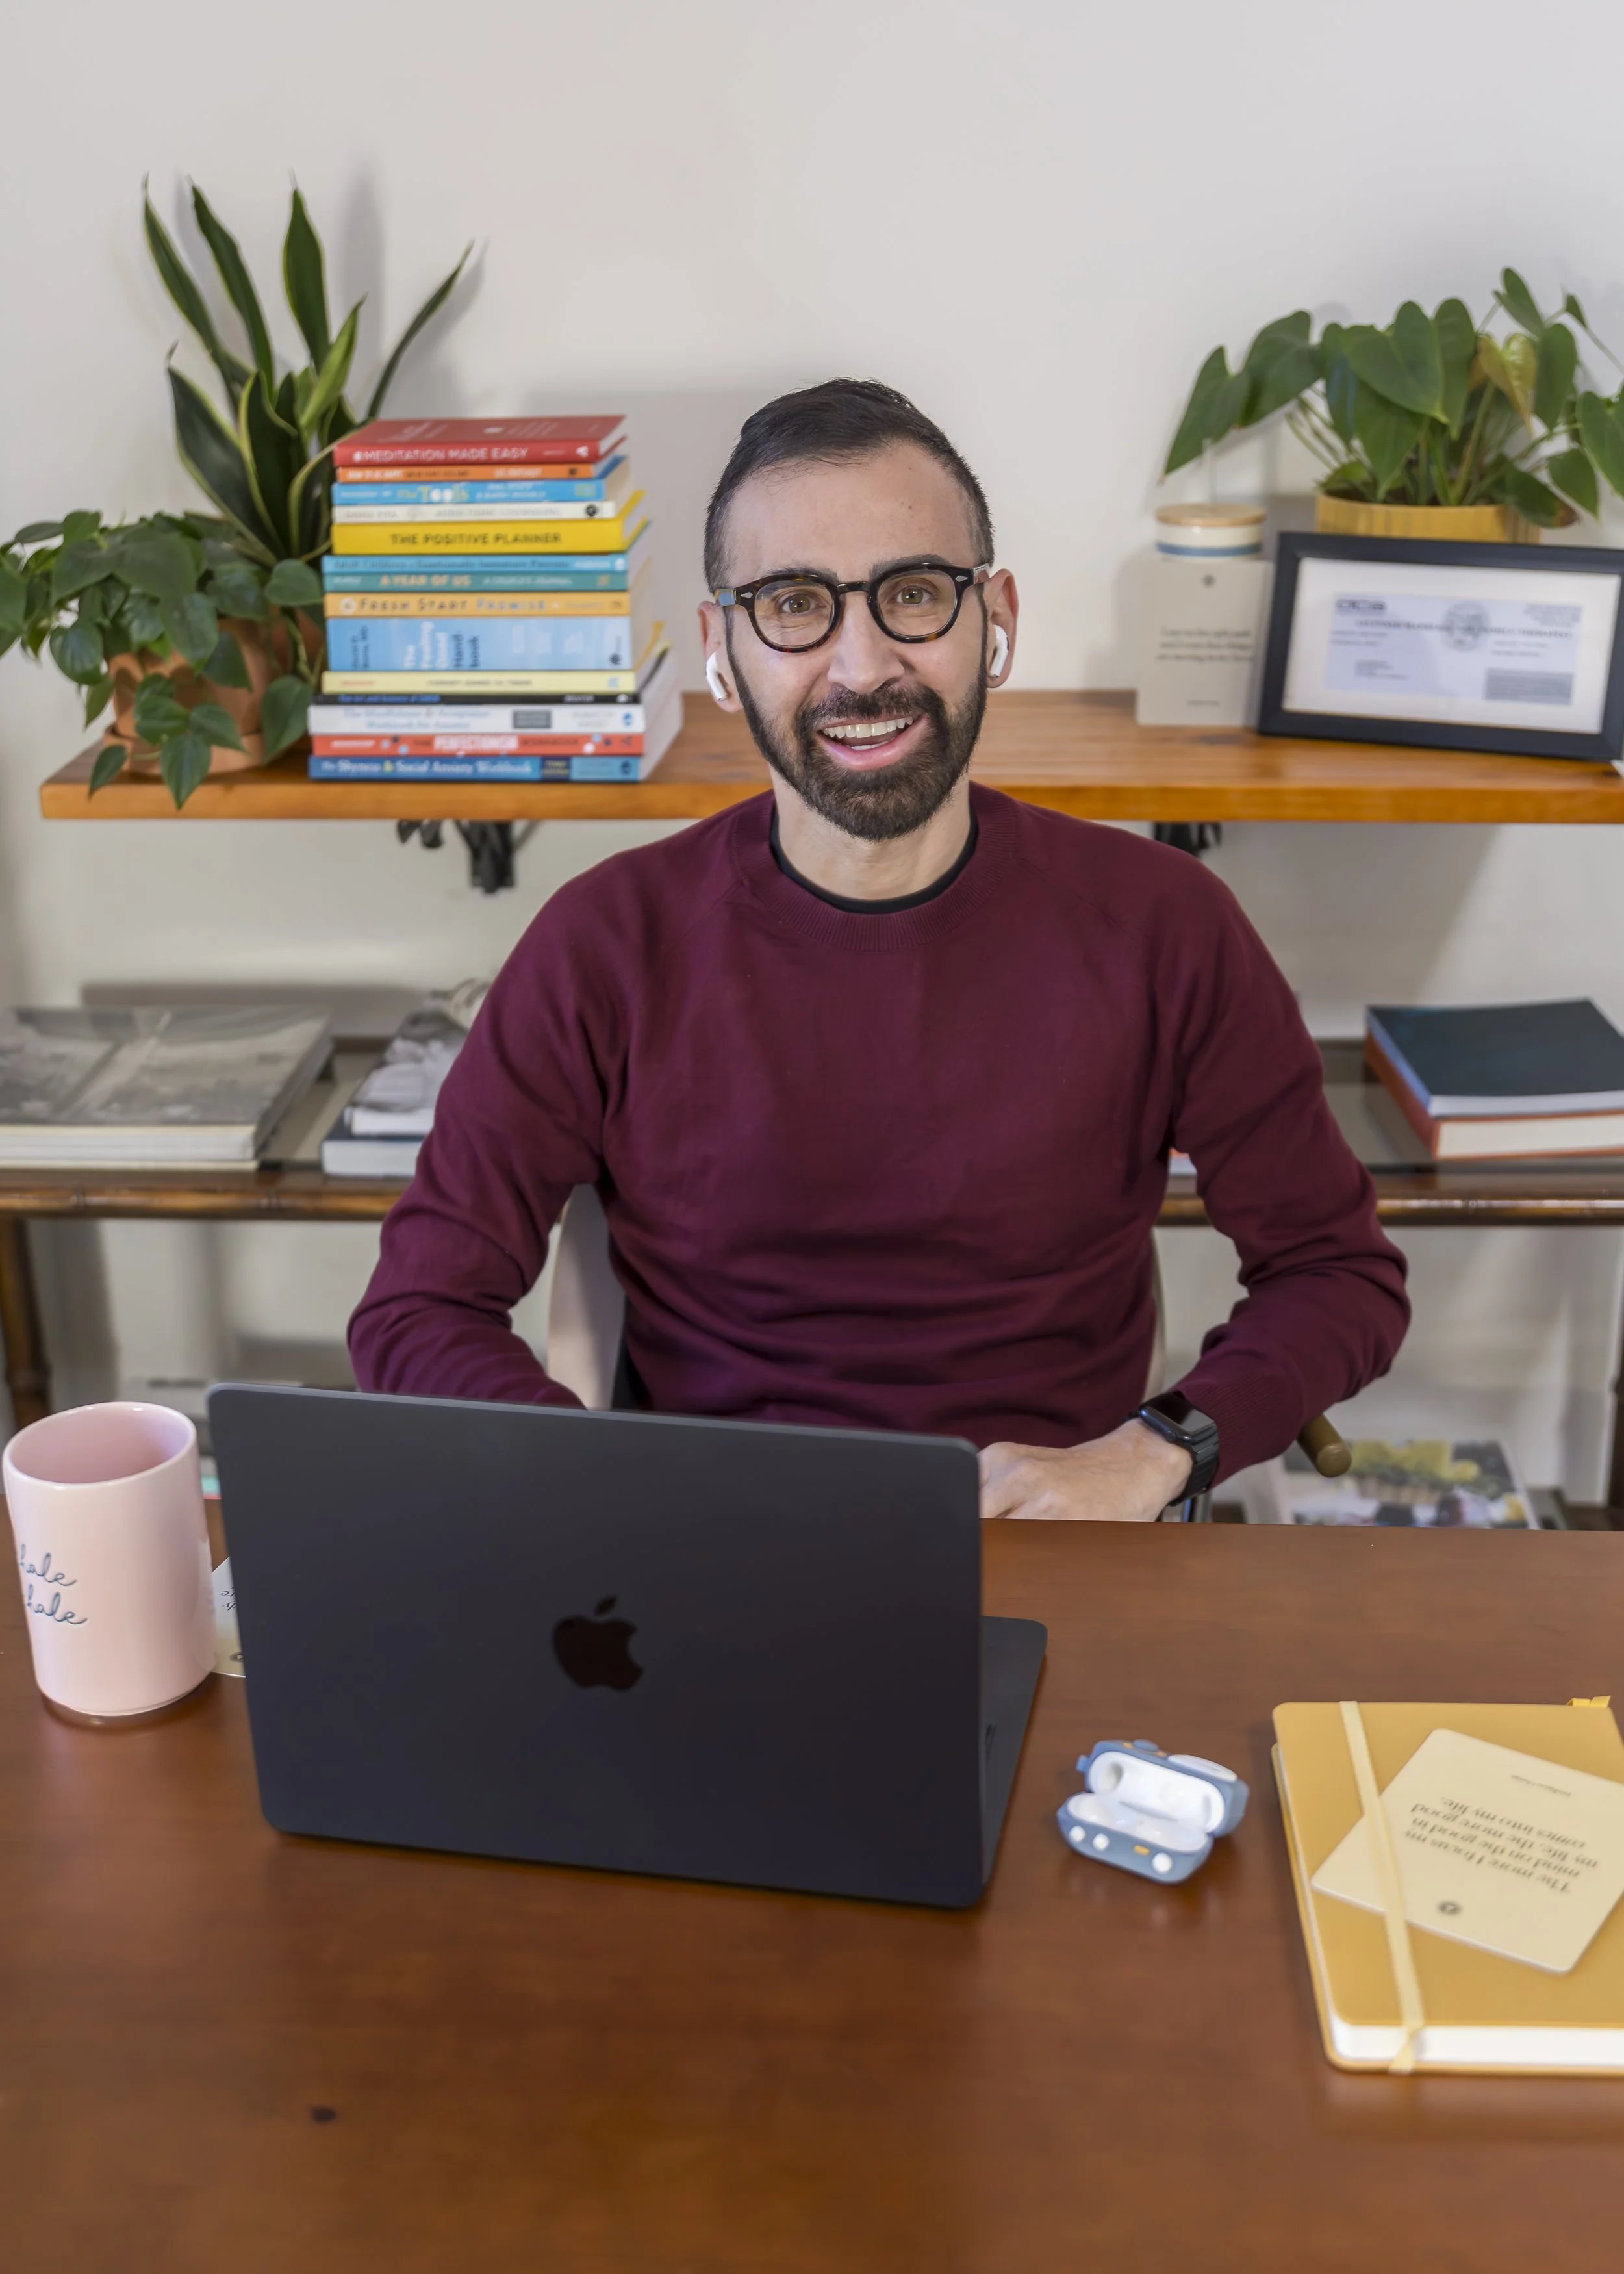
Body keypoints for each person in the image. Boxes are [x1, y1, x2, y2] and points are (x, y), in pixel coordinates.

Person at [349, 379, 1410, 1520]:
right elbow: (419, 1311)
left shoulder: (1167, 926)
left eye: (913, 594)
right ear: (720, 648)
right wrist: (606, 1485)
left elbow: (1337, 1273)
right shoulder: (602, 945)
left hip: (1059, 1555)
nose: (861, 668)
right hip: (706, 1552)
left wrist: (1161, 1452)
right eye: (795, 604)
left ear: (995, 618)